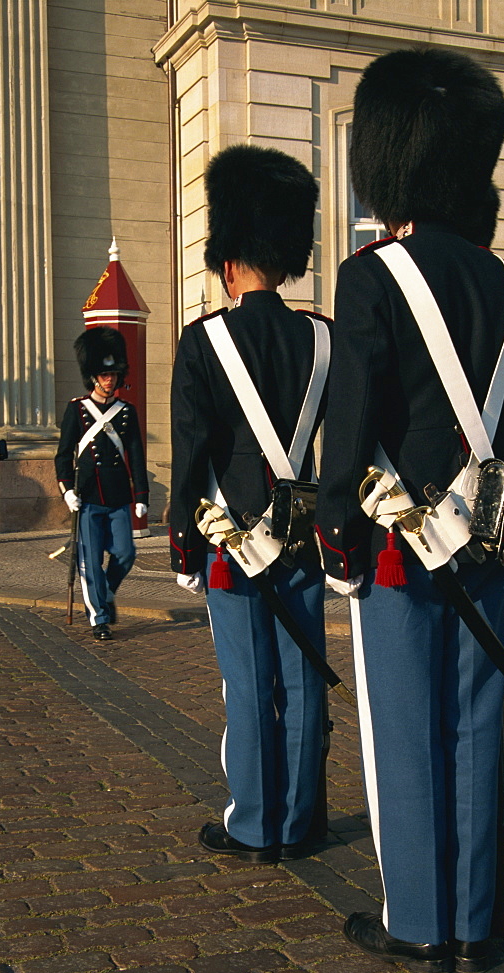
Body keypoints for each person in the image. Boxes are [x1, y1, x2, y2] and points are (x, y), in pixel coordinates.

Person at [316, 48, 504, 973]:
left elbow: (349, 426)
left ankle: (418, 921)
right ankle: (474, 923)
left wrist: (337, 528)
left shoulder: (373, 275)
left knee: (405, 732)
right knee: (474, 727)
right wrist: (503, 520)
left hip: (396, 548)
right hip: (487, 545)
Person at [170, 144, 332, 863]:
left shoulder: (204, 341)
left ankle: (255, 825)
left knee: (247, 683)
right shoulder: (323, 339)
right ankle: (300, 824)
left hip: (233, 542)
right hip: (300, 536)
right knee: (301, 679)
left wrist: (184, 537)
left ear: (228, 262)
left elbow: (192, 449)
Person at [55, 326, 148, 640]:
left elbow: (136, 455)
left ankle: (105, 593)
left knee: (125, 554)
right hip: (88, 497)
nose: (110, 379)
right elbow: (63, 454)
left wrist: (141, 494)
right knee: (91, 562)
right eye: (104, 374)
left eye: (114, 374)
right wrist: (67, 490)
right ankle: (99, 618)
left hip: (118, 496)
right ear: (94, 376)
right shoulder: (77, 410)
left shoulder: (126, 412)